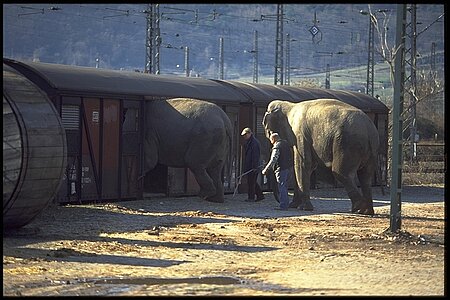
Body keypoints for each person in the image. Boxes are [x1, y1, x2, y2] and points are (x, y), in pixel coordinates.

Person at [262, 132, 292, 210]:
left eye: (271, 140)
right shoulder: (286, 144)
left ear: (274, 139)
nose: (271, 142)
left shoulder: (277, 146)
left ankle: (283, 205)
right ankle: (286, 204)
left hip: (281, 169)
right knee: (285, 187)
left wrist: (266, 169)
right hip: (289, 168)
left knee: (281, 187)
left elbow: (273, 159)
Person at [241, 127, 265, 202]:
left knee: (251, 182)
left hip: (254, 166)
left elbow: (255, 156)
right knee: (252, 181)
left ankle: (251, 197)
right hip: (250, 165)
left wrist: (254, 166)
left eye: (245, 135)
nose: (244, 137)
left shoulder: (254, 143)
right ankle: (260, 195)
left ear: (249, 133)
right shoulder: (249, 142)